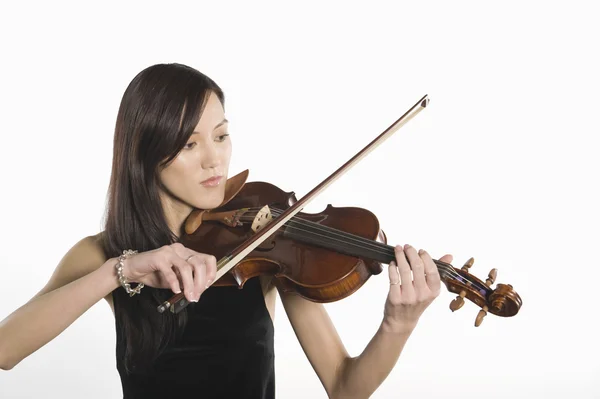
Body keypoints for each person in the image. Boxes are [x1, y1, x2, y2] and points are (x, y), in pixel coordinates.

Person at [0, 63, 453, 398]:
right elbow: (5, 351)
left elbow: (343, 386)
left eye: (220, 135)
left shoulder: (270, 246)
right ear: (145, 153)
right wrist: (121, 272)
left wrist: (398, 322)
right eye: (188, 144)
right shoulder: (105, 254)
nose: (214, 159)